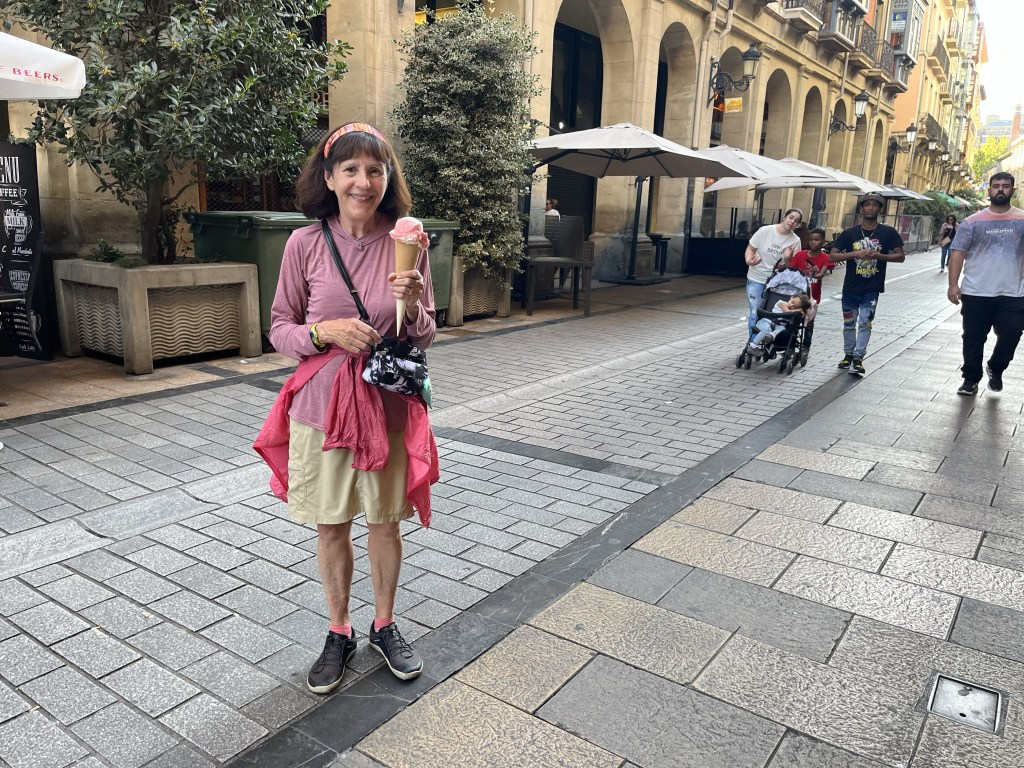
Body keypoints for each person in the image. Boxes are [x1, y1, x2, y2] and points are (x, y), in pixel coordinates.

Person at [254, 122, 440, 694]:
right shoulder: (304, 244)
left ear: (388, 178)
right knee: (332, 524)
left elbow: (426, 333)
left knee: (385, 522)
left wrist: (412, 305)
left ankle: (384, 624)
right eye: (351, 170)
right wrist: (324, 332)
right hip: (321, 407)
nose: (364, 181)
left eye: (375, 170)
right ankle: (339, 630)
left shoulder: (409, 241)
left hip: (386, 405)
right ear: (330, 178)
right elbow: (278, 329)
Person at [946, 172, 1024, 396]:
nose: (1000, 189)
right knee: (973, 337)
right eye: (996, 185)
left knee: (1012, 333)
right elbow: (958, 253)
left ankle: (996, 368)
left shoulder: (1022, 219)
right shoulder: (972, 221)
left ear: (1012, 190)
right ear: (989, 190)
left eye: (1005, 186)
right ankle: (970, 379)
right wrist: (953, 285)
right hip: (976, 291)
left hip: (1013, 292)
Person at [828, 192, 905, 375]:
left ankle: (858, 357)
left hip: (872, 287)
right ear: (861, 208)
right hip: (850, 287)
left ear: (880, 209)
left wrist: (878, 256)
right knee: (849, 323)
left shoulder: (888, 232)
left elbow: (900, 256)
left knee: (865, 322)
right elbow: (832, 255)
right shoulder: (850, 233)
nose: (870, 208)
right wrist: (856, 254)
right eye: (867, 205)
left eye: (875, 205)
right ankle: (848, 354)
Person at [743, 208, 803, 338]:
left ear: (798, 225)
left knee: (772, 314)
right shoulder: (765, 231)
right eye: (791, 217)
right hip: (757, 278)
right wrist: (749, 260)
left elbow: (793, 268)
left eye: (796, 221)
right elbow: (751, 248)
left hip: (778, 283)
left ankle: (766, 340)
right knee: (755, 312)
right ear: (784, 217)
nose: (792, 222)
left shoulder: (795, 240)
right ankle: (753, 343)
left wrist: (787, 258)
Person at [789, 228, 831, 351]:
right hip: (797, 296)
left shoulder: (825, 257)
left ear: (823, 242)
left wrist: (816, 274)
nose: (813, 242)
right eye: (811, 239)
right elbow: (791, 269)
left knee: (809, 322)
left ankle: (806, 346)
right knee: (792, 321)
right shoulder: (800, 255)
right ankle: (790, 345)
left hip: (812, 298)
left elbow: (821, 273)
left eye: (817, 240)